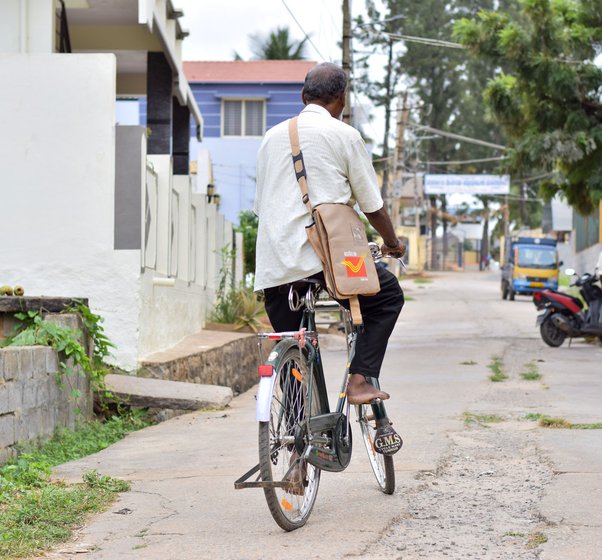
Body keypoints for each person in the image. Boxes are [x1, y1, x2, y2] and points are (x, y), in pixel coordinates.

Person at [254, 62, 405, 405]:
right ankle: (359, 381)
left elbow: (262, 207)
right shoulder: (345, 136)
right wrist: (393, 244)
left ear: (302, 95)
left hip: (274, 266)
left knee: (290, 342)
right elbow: (372, 206)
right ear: (341, 99)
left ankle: (295, 442)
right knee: (387, 298)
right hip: (329, 262)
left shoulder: (270, 138)